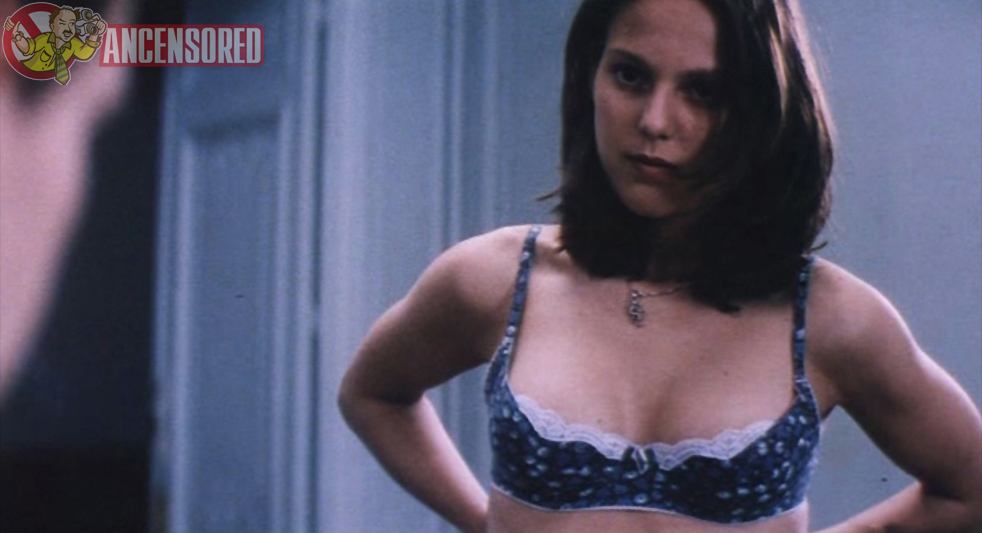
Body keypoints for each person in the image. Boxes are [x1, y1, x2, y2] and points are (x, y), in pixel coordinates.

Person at [338, 0, 982, 531]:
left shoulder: (831, 318)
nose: (654, 122)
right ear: (589, 76)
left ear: (762, 111)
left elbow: (971, 486)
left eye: (702, 92)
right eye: (630, 76)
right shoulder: (496, 279)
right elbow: (372, 393)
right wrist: (482, 522)